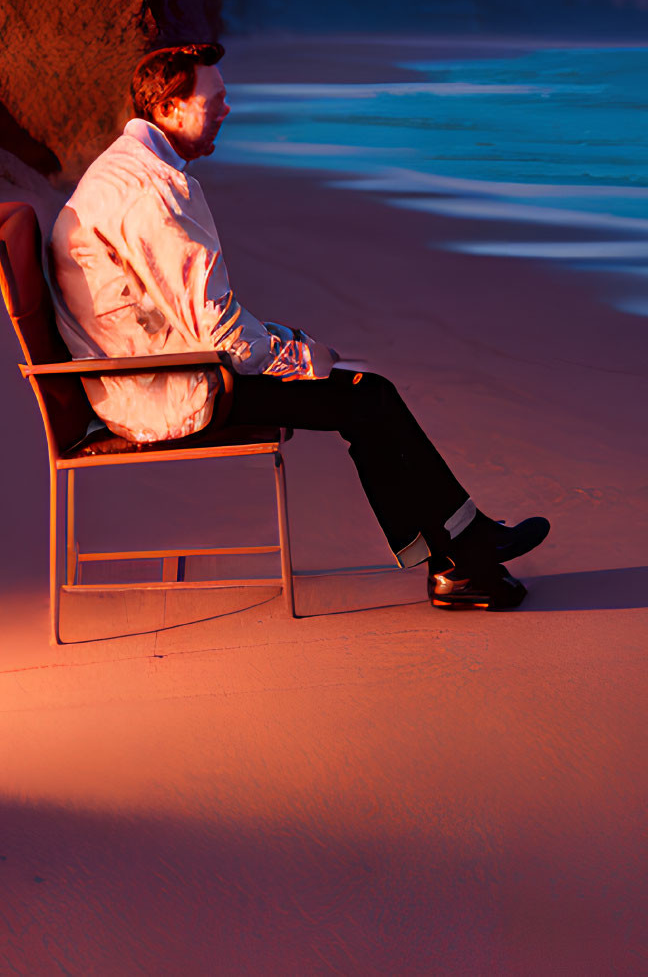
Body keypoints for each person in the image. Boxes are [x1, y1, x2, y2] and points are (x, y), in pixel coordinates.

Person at [48, 42, 548, 610]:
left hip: (148, 371)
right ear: (169, 109)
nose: (228, 109)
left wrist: (286, 343)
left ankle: (456, 554)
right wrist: (302, 357)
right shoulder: (152, 191)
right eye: (216, 99)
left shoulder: (130, 169)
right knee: (368, 397)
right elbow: (219, 331)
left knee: (363, 395)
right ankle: (460, 555)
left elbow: (196, 315)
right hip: (166, 387)